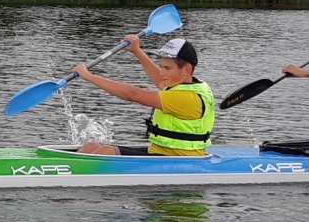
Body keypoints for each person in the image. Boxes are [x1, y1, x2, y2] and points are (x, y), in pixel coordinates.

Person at [72, 37, 214, 156]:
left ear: (187, 69)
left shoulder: (186, 98)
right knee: (90, 147)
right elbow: (159, 80)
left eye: (167, 68)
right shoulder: (184, 85)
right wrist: (137, 51)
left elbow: (131, 94)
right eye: (161, 66)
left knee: (106, 151)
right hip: (160, 152)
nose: (161, 72)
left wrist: (89, 76)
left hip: (179, 157)